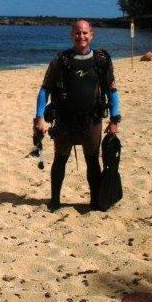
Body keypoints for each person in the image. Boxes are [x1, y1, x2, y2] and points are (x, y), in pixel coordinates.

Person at [34, 20, 121, 211]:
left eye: (84, 33)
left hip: (92, 120)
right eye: (77, 33)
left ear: (92, 35)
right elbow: (44, 90)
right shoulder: (61, 60)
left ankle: (95, 202)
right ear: (71, 35)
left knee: (92, 161)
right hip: (65, 120)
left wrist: (115, 119)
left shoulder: (101, 60)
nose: (81, 37)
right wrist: (39, 117)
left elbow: (112, 91)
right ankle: (55, 201)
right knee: (60, 160)